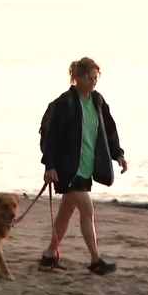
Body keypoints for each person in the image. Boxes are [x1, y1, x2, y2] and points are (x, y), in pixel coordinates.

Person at [38, 57, 128, 275]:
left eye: (95, 78)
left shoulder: (97, 101)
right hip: (67, 168)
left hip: (86, 166)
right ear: (76, 77)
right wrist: (49, 166)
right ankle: (96, 260)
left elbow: (109, 129)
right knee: (87, 209)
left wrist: (118, 154)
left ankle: (49, 255)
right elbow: (49, 136)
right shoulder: (64, 103)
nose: (93, 82)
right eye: (89, 77)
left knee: (66, 213)